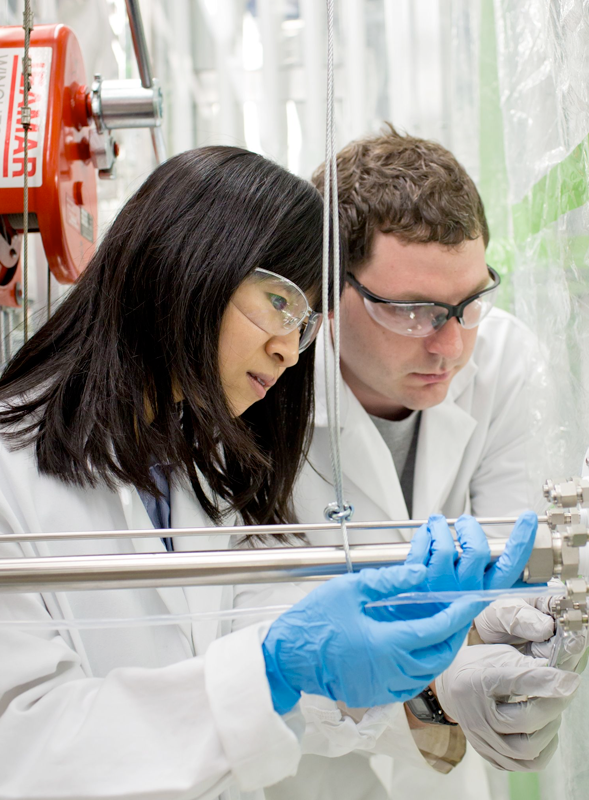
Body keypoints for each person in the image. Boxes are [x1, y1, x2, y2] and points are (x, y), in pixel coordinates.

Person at [0, 146, 516, 800]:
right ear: (188, 264)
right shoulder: (9, 474)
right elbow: (21, 752)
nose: (286, 347)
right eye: (278, 302)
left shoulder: (197, 464)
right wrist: (272, 666)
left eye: (302, 323)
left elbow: (256, 653)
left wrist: (416, 670)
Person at [267, 128, 586, 799]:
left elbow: (513, 581)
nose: (450, 345)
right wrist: (432, 681)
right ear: (325, 293)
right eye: (412, 310)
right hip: (295, 765)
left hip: (444, 766)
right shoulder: (265, 386)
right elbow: (256, 635)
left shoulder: (502, 360)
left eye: (469, 303)